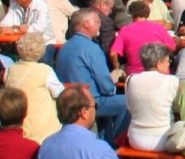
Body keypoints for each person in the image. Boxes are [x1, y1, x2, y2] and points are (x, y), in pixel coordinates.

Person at [53, 9, 129, 144]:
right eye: (97, 22)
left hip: (67, 99)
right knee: (129, 102)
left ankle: (106, 140)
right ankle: (115, 144)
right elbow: (106, 86)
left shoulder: (64, 47)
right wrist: (113, 83)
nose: (100, 25)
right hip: (89, 100)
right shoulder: (91, 48)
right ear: (86, 24)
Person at [125, 43, 185, 159]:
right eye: (168, 62)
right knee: (179, 147)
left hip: (135, 137)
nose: (169, 65)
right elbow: (179, 107)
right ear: (159, 63)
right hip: (162, 138)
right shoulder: (171, 81)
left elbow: (130, 108)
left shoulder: (131, 80)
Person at [2, 31, 63, 145]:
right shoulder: (45, 71)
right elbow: (58, 92)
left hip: (19, 123)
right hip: (42, 126)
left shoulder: (11, 70)